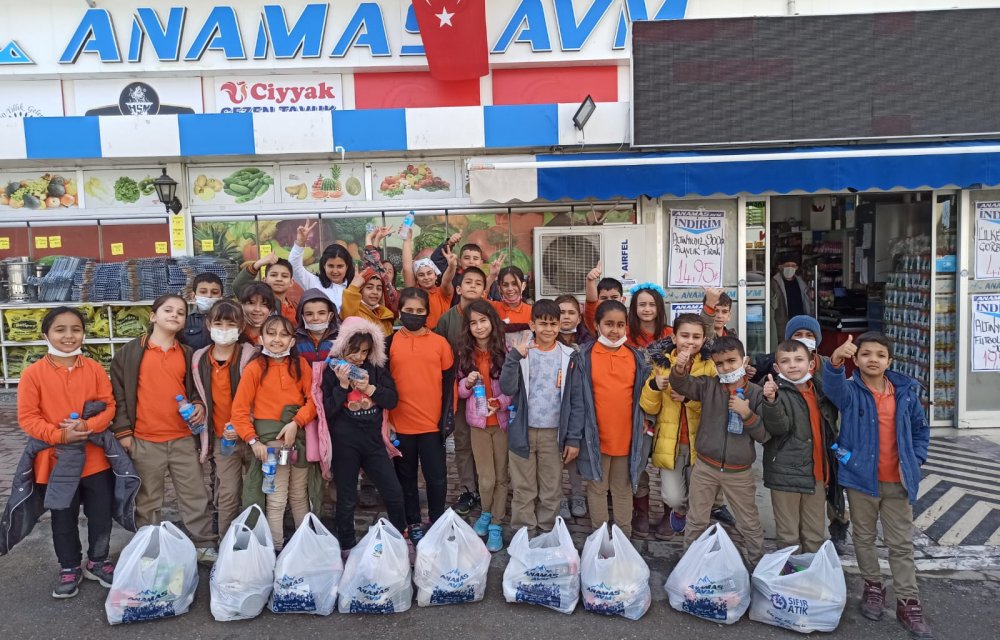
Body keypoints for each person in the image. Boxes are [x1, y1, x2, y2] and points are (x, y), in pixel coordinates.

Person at [823, 333, 932, 639]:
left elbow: (921, 430)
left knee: (900, 544)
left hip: (898, 482)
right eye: (866, 354)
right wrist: (835, 361)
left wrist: (916, 458)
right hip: (860, 480)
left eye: (880, 354)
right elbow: (832, 387)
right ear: (856, 361)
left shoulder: (905, 392)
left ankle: (908, 601)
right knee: (865, 537)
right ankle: (872, 585)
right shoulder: (850, 391)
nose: (873, 359)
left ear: (889, 361)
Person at [18, 307, 118, 598]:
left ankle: (98, 561)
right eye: (60, 329)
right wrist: (61, 434)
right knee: (63, 517)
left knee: (101, 514)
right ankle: (69, 566)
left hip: (95, 460)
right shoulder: (33, 374)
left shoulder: (94, 368)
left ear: (83, 334)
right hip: (55, 462)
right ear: (45, 334)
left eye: (75, 329)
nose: (68, 335)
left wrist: (87, 425)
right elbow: (28, 418)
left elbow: (109, 405)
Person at [110, 294, 218, 563]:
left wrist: (198, 406)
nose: (174, 315)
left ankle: (203, 542)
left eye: (180, 313)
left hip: (182, 438)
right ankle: (150, 543)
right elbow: (118, 395)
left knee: (195, 494)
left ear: (184, 322)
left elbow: (198, 391)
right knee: (147, 499)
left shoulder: (188, 354)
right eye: (168, 310)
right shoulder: (130, 352)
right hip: (145, 440)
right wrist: (123, 433)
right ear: (153, 315)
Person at [669, 335, 768, 566]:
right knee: (696, 521)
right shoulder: (709, 385)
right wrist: (680, 368)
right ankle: (689, 567)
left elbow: (764, 435)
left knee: (749, 524)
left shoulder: (756, 393)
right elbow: (681, 385)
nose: (726, 367)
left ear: (744, 360)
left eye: (731, 361)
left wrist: (747, 414)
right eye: (720, 363)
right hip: (705, 467)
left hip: (739, 472)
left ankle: (758, 567)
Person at [230, 315, 319, 551]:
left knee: (300, 495)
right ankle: (276, 549)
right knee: (277, 499)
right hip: (270, 446)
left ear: (292, 341)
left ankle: (304, 547)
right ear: (261, 338)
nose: (277, 339)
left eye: (284, 334)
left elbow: (313, 401)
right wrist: (253, 441)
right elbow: (238, 412)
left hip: (297, 441)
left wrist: (296, 423)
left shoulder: (301, 366)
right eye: (271, 333)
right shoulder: (255, 368)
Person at [322, 317, 407, 550]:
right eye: (354, 351)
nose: (358, 357)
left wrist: (370, 388)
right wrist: (341, 386)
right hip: (344, 441)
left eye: (364, 352)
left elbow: (392, 400)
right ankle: (347, 546)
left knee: (393, 490)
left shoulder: (375, 369)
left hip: (372, 440)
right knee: (347, 497)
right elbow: (326, 409)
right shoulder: (331, 370)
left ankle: (400, 538)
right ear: (342, 346)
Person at [565, 300, 649, 538]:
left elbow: (646, 396)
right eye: (609, 324)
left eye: (620, 325)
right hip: (595, 438)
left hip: (627, 437)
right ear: (596, 325)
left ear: (627, 327)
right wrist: (574, 436)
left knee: (622, 489)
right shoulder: (584, 357)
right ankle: (598, 537)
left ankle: (624, 538)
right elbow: (577, 400)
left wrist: (646, 420)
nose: (614, 330)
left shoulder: (636, 358)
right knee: (597, 487)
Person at [500, 299, 576, 535]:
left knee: (551, 487)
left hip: (553, 433)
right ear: (532, 324)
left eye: (553, 324)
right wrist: (514, 358)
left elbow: (577, 400)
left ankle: (547, 531)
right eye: (543, 324)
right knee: (523, 487)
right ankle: (524, 533)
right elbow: (507, 388)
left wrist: (573, 438)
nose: (549, 329)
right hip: (523, 430)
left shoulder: (569, 355)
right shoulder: (523, 352)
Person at [639, 313, 716, 540]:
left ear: (703, 340)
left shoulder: (709, 366)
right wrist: (654, 386)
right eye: (684, 335)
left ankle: (695, 525)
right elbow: (649, 407)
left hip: (700, 443)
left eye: (696, 337)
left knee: (699, 491)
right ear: (674, 337)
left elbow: (715, 405)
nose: (690, 342)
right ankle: (678, 511)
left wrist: (689, 400)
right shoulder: (660, 364)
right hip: (669, 443)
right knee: (672, 496)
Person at [388, 288, 455, 544]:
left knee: (437, 477)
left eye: (420, 311)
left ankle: (437, 520)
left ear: (427, 312)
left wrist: (446, 417)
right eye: (409, 310)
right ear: (400, 311)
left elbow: (449, 382)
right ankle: (412, 521)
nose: (414, 315)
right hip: (400, 425)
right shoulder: (389, 342)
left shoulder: (440, 343)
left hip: (431, 424)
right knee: (406, 478)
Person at [760, 340, 838, 553]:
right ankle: (790, 579)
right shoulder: (775, 392)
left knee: (814, 534)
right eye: (785, 361)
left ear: (811, 364)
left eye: (799, 360)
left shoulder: (820, 390)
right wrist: (771, 400)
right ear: (777, 368)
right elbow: (778, 428)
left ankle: (809, 578)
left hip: (818, 475)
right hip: (785, 477)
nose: (792, 365)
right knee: (788, 536)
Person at [190, 300, 258, 539]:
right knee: (227, 492)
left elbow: (259, 397)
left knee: (256, 491)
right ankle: (226, 540)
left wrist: (242, 425)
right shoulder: (199, 359)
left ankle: (256, 540)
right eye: (218, 323)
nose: (224, 328)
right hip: (222, 438)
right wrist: (197, 405)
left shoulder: (250, 356)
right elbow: (197, 392)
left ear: (241, 327)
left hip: (252, 436)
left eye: (231, 324)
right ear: (208, 324)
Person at [456, 300, 512, 552]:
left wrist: (499, 403)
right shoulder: (465, 354)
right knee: (486, 478)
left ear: (492, 321)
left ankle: (496, 522)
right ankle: (487, 512)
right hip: (477, 425)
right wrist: (467, 384)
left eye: (483, 320)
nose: (479, 327)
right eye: (473, 323)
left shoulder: (506, 351)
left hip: (501, 424)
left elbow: (513, 389)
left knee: (501, 477)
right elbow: (460, 392)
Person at [434, 267, 489, 515]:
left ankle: (489, 487)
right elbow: (438, 356)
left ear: (484, 290)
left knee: (487, 441)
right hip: (459, 390)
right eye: (468, 282)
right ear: (458, 288)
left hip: (488, 391)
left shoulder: (490, 314)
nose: (473, 286)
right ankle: (469, 489)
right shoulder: (447, 319)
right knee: (464, 442)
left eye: (479, 283)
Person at [554, 293, 592, 520]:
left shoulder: (587, 345)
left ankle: (578, 493)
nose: (566, 317)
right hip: (554, 408)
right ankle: (558, 496)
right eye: (561, 312)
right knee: (555, 455)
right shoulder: (545, 340)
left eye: (571, 312)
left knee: (575, 453)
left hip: (579, 407)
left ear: (579, 318)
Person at [289, 220, 355, 310]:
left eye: (340, 266)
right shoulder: (314, 283)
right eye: (330, 266)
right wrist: (300, 242)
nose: (335, 271)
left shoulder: (354, 286)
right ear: (324, 266)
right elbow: (294, 268)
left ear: (347, 267)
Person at [402, 231, 456, 329]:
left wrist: (452, 266)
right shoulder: (414, 292)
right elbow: (407, 269)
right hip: (419, 333)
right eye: (421, 275)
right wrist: (407, 241)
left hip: (441, 335)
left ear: (436, 275)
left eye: (429, 273)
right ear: (417, 279)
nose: (426, 277)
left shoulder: (442, 293)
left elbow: (447, 280)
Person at [431, 232, 485, 305]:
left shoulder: (487, 280)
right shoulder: (452, 275)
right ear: (459, 261)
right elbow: (436, 260)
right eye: (466, 258)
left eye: (475, 258)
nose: (471, 262)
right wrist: (449, 243)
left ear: (481, 262)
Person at [340, 266, 395, 336]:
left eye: (379, 288)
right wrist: (354, 287)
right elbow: (348, 312)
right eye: (369, 287)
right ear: (360, 290)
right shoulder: (354, 313)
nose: (375, 292)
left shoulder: (385, 316)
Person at [771, 261, 812, 349]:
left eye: (793, 265)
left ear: (796, 268)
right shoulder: (774, 283)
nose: (790, 268)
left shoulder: (801, 282)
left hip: (800, 321)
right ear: (780, 266)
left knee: (800, 348)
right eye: (787, 265)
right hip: (783, 323)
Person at [489, 265, 533, 345]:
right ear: (499, 288)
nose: (510, 289)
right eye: (505, 285)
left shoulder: (532, 311)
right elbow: (477, 299)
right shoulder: (493, 307)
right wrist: (492, 276)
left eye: (514, 284)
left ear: (523, 285)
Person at [295, 288, 339, 364]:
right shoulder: (295, 339)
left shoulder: (340, 338)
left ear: (330, 315)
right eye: (309, 314)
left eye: (321, 313)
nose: (315, 318)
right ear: (302, 317)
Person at [182, 272, 224, 351]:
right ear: (193, 296)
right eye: (203, 292)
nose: (209, 295)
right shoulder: (185, 322)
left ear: (221, 297)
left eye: (214, 292)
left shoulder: (229, 320)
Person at [583, 260, 624, 335]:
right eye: (604, 298)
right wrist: (590, 280)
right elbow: (591, 302)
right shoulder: (595, 319)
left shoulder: (630, 320)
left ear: (623, 299)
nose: (609, 301)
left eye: (614, 297)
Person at [627, 282, 672, 349]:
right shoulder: (625, 334)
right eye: (642, 304)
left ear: (660, 307)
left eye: (652, 304)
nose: (647, 309)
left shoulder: (671, 333)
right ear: (634, 307)